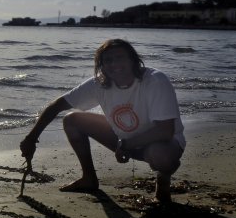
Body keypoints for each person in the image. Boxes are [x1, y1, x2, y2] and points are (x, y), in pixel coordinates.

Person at [19, 38, 185, 203]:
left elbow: (165, 130)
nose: (114, 64)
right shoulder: (99, 83)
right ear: (101, 66)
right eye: (108, 60)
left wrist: (126, 145)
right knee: (71, 120)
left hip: (161, 143)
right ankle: (89, 178)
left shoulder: (155, 80)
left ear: (133, 60)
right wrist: (31, 138)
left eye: (120, 57)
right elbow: (57, 105)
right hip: (123, 139)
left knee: (161, 157)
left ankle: (163, 183)